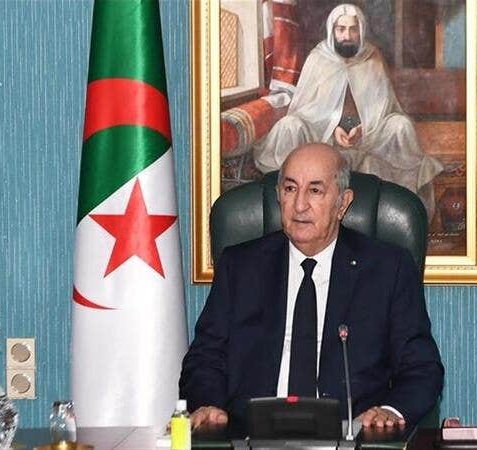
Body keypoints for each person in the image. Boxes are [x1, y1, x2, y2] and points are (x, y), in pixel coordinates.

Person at [180, 143, 444, 432]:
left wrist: (389, 412)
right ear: (279, 196)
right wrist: (208, 403)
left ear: (342, 203)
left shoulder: (387, 269)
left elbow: (422, 368)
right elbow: (205, 357)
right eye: (290, 189)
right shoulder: (241, 266)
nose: (299, 205)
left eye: (315, 191)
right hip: (251, 435)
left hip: (351, 435)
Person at [253, 3, 443, 220]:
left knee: (401, 126)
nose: (347, 35)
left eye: (353, 29)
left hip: (368, 136)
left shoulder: (372, 57)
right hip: (322, 136)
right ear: (332, 30)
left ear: (360, 30)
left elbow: (383, 107)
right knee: (288, 126)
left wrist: (363, 129)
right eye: (341, 29)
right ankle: (282, 206)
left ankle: (402, 205)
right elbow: (304, 109)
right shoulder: (318, 58)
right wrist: (332, 128)